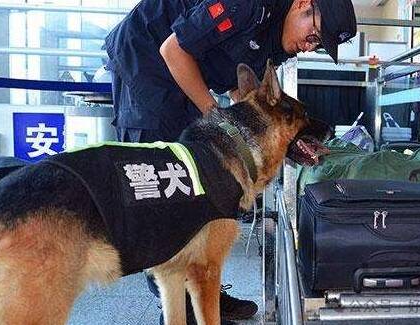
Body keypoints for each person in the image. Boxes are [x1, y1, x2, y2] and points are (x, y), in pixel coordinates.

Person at [105, 0, 356, 323]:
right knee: (167, 189)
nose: (310, 47)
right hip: (148, 58)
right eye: (314, 36)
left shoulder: (279, 40)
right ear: (304, 4)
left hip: (183, 67)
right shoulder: (248, 5)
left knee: (202, 184)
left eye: (318, 45)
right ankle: (182, 300)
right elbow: (173, 51)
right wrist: (216, 116)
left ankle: (204, 284)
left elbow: (246, 94)